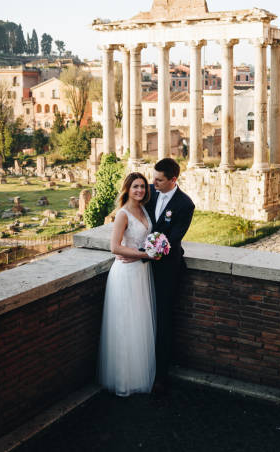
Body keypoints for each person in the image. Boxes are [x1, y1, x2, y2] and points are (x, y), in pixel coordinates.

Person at [98, 172, 157, 396]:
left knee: (139, 324)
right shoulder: (122, 214)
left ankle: (139, 375)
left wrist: (150, 252)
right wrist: (146, 255)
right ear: (127, 189)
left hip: (142, 273)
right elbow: (114, 247)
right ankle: (124, 382)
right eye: (135, 187)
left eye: (142, 186)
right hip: (125, 273)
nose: (140, 190)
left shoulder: (143, 209)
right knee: (125, 325)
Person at [145, 157, 195, 394]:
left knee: (163, 319)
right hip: (141, 266)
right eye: (153, 177)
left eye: (159, 180)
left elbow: (173, 238)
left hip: (167, 269)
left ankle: (160, 375)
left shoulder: (185, 204)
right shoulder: (148, 194)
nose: (152, 183)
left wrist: (150, 251)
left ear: (173, 180)